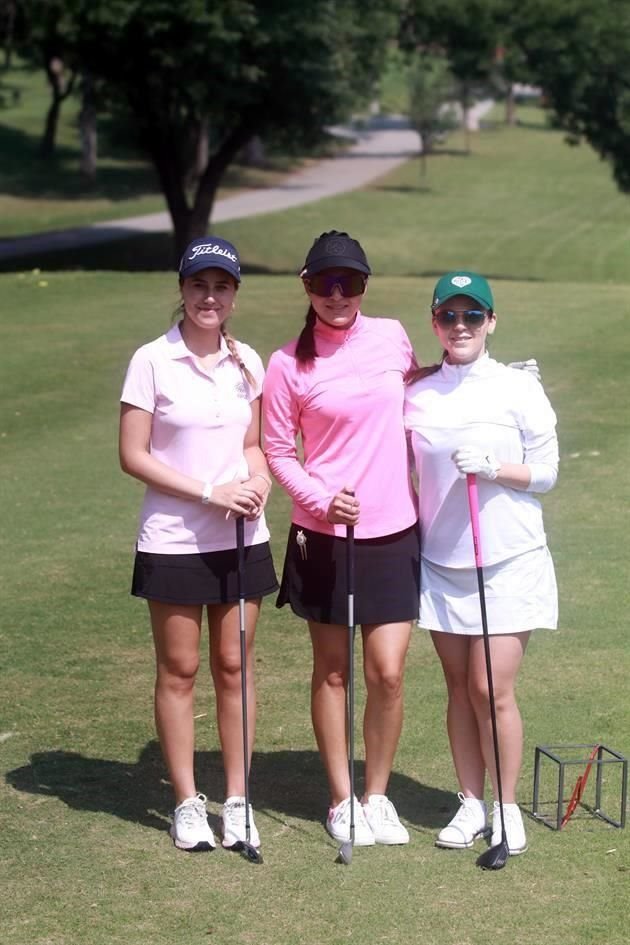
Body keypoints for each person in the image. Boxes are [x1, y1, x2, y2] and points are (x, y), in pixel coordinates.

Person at [119, 236, 277, 852]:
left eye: (222, 286)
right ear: (182, 290)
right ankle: (188, 802)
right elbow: (133, 456)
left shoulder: (248, 362)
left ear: (235, 294)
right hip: (175, 538)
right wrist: (211, 492)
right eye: (198, 286)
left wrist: (259, 479)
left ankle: (238, 800)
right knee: (180, 670)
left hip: (242, 535)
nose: (209, 297)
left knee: (235, 667)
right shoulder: (152, 360)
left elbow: (254, 444)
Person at [263, 231, 420, 847]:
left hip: (392, 530)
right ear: (306, 286)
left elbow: (415, 393)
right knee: (332, 673)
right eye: (325, 283)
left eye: (349, 283)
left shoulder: (392, 336)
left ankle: (377, 795)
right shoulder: (287, 363)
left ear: (363, 287)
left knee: (386, 673)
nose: (337, 295)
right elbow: (278, 451)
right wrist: (319, 498)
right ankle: (341, 799)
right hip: (325, 536)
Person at [404, 270, 559, 856]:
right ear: (436, 323)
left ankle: (507, 806)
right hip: (443, 559)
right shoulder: (416, 393)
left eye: (473, 316)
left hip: (508, 557)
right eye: (449, 315)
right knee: (457, 688)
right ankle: (470, 801)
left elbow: (545, 474)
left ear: (491, 322)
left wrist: (495, 467)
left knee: (490, 686)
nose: (460, 326)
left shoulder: (519, 389)